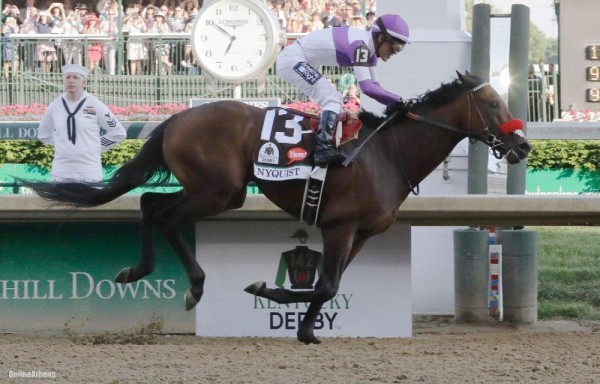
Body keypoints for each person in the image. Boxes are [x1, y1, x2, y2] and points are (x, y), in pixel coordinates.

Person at [276, 13, 409, 166]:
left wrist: (395, 102)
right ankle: (322, 150)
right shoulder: (360, 46)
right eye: (396, 46)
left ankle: (328, 146)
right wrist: (398, 100)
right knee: (333, 98)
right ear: (381, 38)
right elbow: (367, 88)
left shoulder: (370, 51)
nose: (396, 52)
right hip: (292, 59)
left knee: (336, 103)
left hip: (297, 58)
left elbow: (376, 87)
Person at [37, 64, 126, 182]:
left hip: (89, 169)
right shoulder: (55, 105)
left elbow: (118, 133)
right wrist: (62, 144)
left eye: (75, 77)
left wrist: (96, 146)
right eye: (68, 77)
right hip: (62, 169)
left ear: (84, 81)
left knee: (89, 200)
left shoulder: (95, 104)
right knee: (62, 201)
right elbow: (43, 134)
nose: (71, 81)